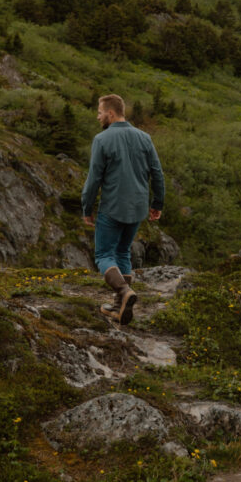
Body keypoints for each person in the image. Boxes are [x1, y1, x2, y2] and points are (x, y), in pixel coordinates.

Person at [82, 94, 165, 325]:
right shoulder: (144, 137)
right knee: (122, 252)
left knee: (103, 255)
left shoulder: (102, 139)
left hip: (112, 207)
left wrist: (87, 207)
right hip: (138, 207)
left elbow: (93, 179)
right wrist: (157, 203)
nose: (98, 116)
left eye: (99, 112)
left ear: (110, 113)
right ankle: (120, 307)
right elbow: (157, 172)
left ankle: (124, 292)